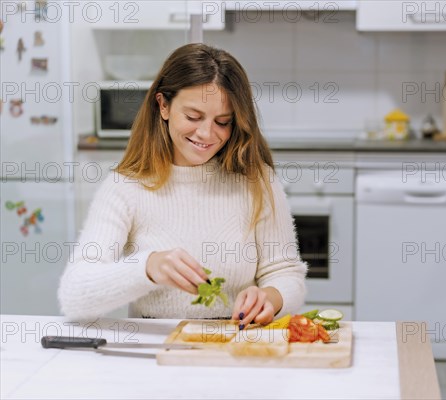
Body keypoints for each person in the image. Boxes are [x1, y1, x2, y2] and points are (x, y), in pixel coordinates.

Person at [58, 43, 307, 328]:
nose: (206, 133)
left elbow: (286, 272)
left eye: (223, 122)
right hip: (156, 349)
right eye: (193, 117)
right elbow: (74, 296)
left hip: (236, 344)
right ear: (163, 105)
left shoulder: (256, 180)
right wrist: (147, 268)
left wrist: (270, 297)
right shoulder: (125, 187)